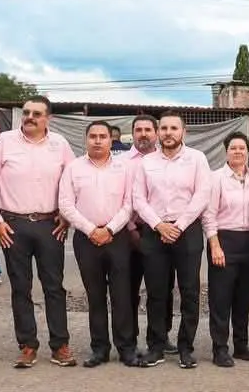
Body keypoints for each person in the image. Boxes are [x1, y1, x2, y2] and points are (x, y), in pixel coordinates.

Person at [0, 95, 78, 368]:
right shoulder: (4, 142)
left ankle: (60, 345)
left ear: (47, 118)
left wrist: (67, 215)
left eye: (36, 113)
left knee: (54, 287)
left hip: (50, 225)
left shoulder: (60, 144)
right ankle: (27, 345)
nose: (30, 117)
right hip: (12, 226)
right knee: (20, 287)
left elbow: (72, 180)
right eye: (26, 112)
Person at [132, 112, 212, 369]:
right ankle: (156, 346)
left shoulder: (197, 159)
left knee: (190, 292)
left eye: (173, 128)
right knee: (156, 293)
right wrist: (158, 225)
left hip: (186, 232)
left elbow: (203, 194)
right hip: (154, 232)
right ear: (158, 132)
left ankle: (186, 348)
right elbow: (138, 199)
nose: (168, 132)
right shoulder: (146, 163)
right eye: (164, 128)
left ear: (183, 132)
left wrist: (178, 226)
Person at [58, 121, 139, 367]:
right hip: (86, 238)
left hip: (117, 237)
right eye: (93, 136)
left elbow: (129, 203)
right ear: (86, 139)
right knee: (95, 296)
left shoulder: (123, 168)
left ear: (110, 140)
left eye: (102, 136)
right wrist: (91, 230)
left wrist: (110, 229)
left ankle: (126, 348)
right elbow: (66, 204)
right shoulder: (73, 168)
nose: (97, 140)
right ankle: (99, 349)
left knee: (122, 295)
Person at [202, 132, 249, 367]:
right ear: (226, 151)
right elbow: (208, 215)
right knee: (221, 298)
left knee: (244, 298)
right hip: (223, 240)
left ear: (248, 152)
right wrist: (215, 245)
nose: (238, 151)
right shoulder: (215, 179)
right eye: (233, 148)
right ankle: (220, 348)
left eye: (242, 148)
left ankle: (242, 345)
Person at [121, 115, 176, 355]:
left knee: (163, 289)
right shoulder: (121, 162)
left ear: (156, 133)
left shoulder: (167, 161)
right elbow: (119, 197)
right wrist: (131, 230)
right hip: (129, 232)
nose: (143, 134)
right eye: (138, 130)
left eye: (147, 130)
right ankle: (130, 340)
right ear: (132, 133)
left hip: (161, 234)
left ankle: (161, 337)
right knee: (128, 289)